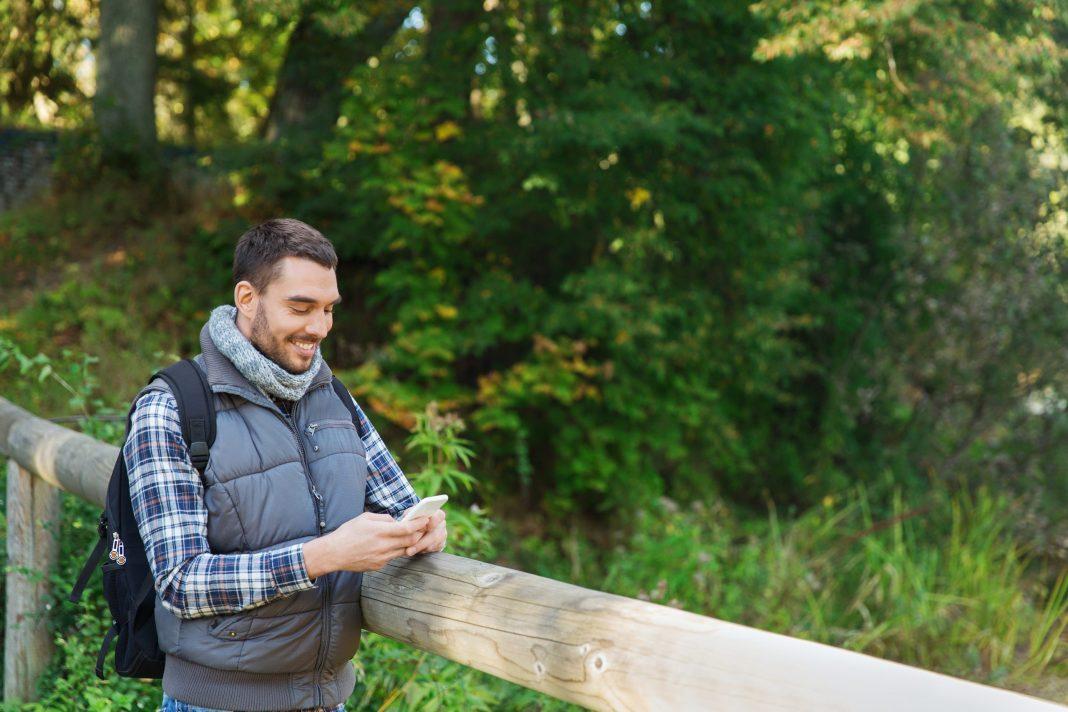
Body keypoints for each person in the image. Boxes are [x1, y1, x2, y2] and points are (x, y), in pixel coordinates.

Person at [124, 218, 446, 712]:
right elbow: (181, 583)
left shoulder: (333, 395)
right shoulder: (171, 406)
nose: (318, 328)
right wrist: (323, 556)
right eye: (300, 308)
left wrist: (423, 529)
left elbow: (399, 503)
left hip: (328, 699)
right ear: (247, 298)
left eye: (328, 309)